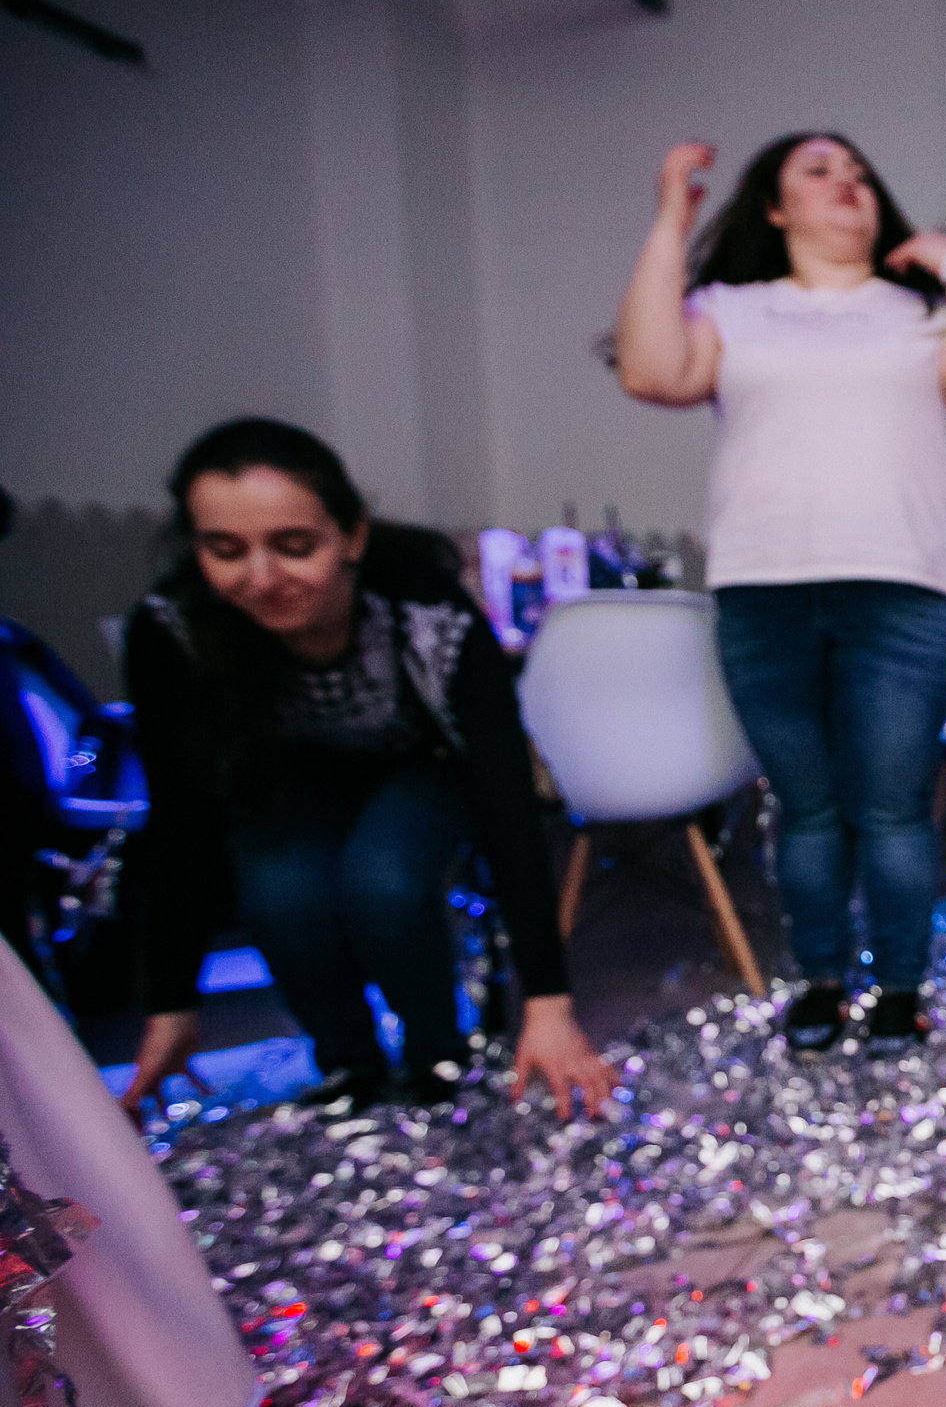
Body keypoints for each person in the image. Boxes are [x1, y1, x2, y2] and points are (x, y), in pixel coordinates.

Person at [614, 133, 946, 1051]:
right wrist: (669, 220)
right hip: (764, 590)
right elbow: (651, 370)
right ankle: (818, 981)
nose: (847, 181)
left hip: (903, 591)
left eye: (858, 170)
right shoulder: (729, 307)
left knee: (889, 805)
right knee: (806, 807)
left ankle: (897, 991)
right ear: (774, 208)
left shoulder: (922, 310)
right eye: (819, 171)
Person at [120, 420, 613, 1119]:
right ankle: (349, 1065)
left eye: (294, 546)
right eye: (225, 550)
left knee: (384, 880)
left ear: (351, 536)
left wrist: (548, 1004)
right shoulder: (171, 631)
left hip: (422, 768)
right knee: (280, 893)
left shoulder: (432, 616)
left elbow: (507, 804)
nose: (262, 578)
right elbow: (180, 816)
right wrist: (170, 1001)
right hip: (288, 780)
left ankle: (438, 1058)